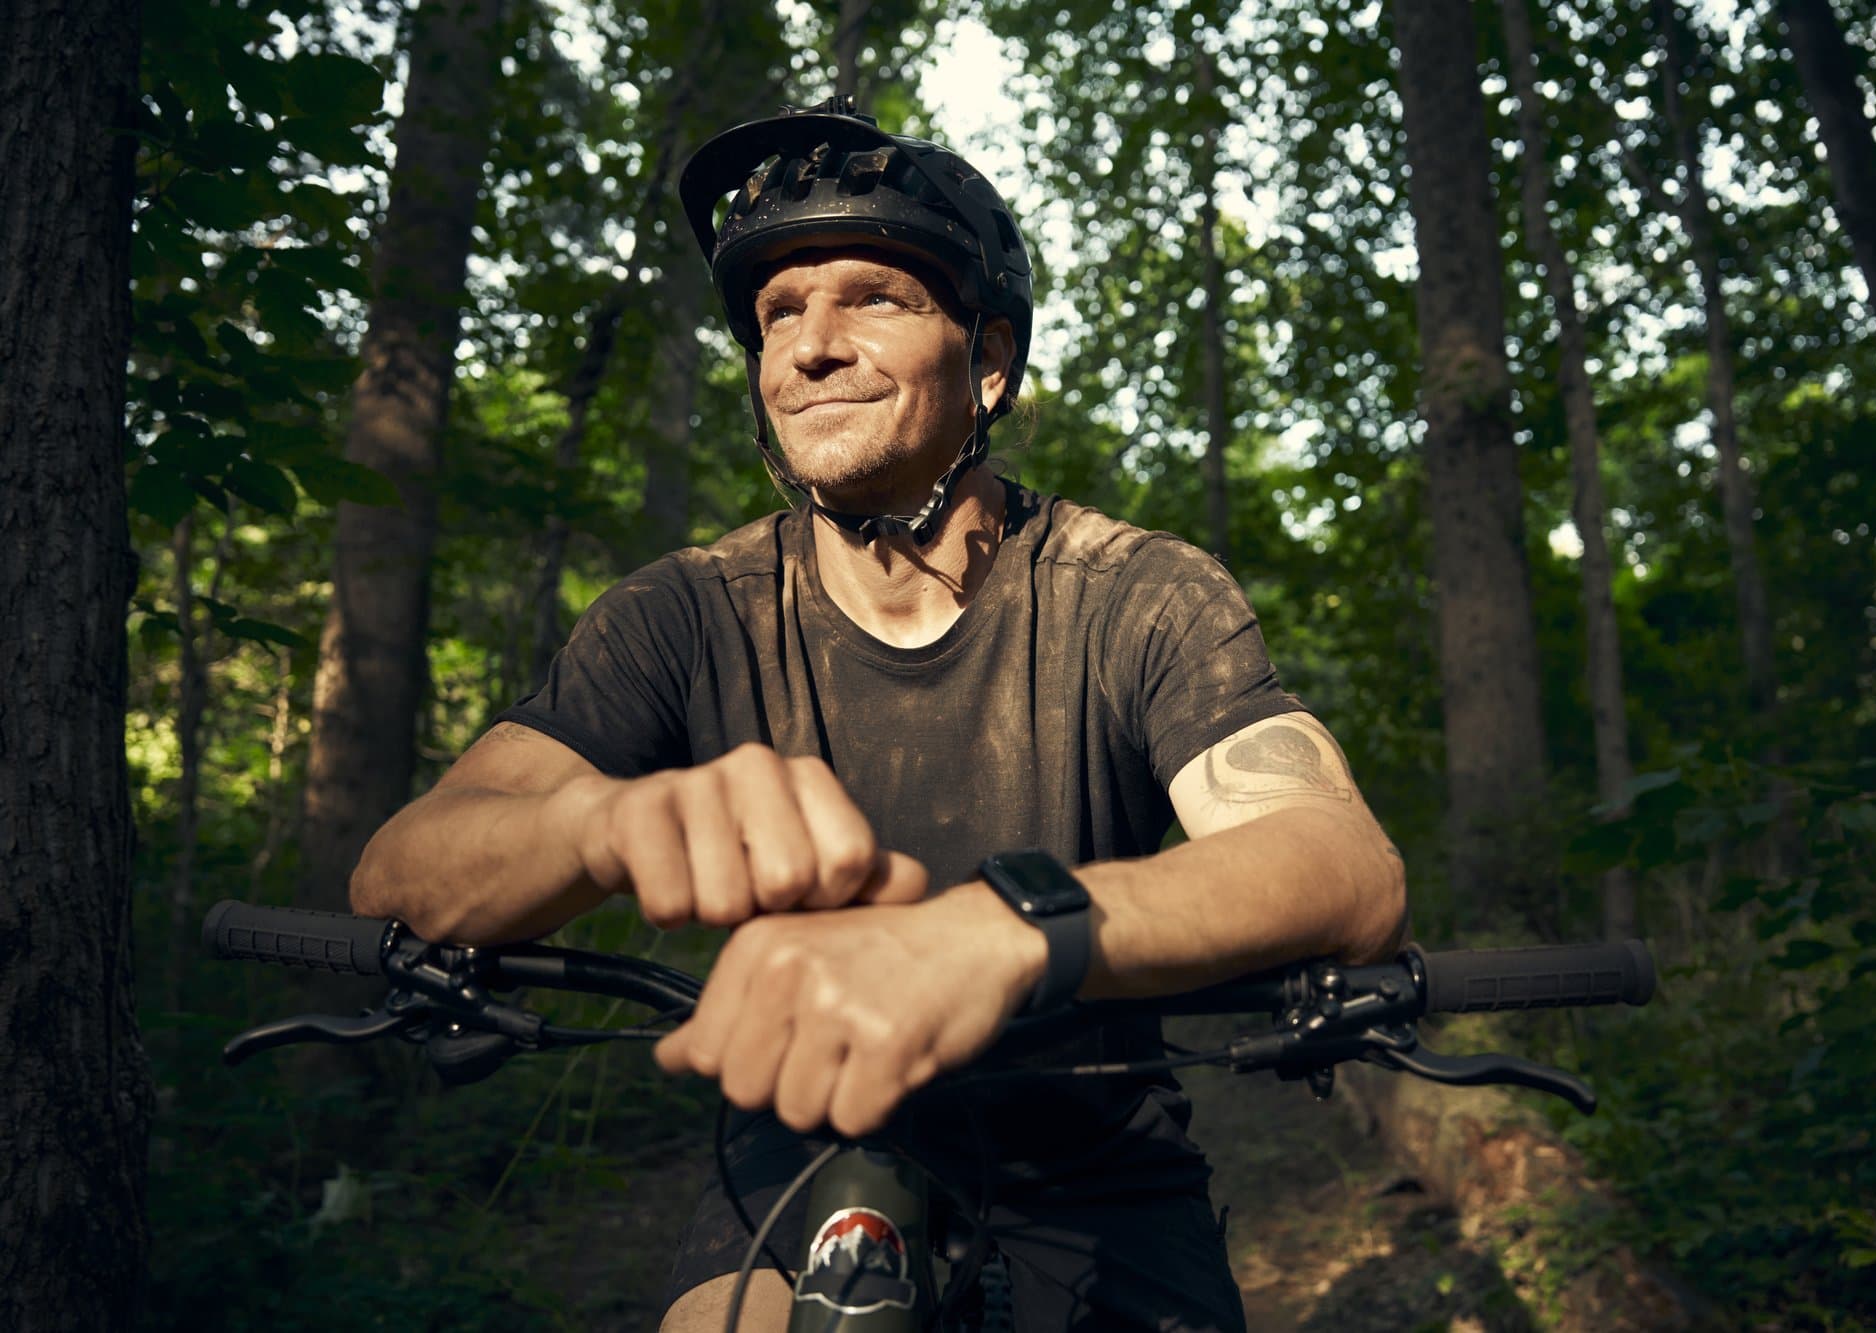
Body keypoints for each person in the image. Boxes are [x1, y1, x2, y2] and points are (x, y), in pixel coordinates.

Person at [349, 98, 1406, 1331]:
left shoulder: (1136, 593)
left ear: (990, 363)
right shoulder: (683, 612)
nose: (809, 346)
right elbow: (399, 873)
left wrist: (991, 933)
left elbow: (1340, 865)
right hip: (791, 1143)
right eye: (777, 315)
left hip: (1091, 1157)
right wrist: (602, 821)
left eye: (874, 298)